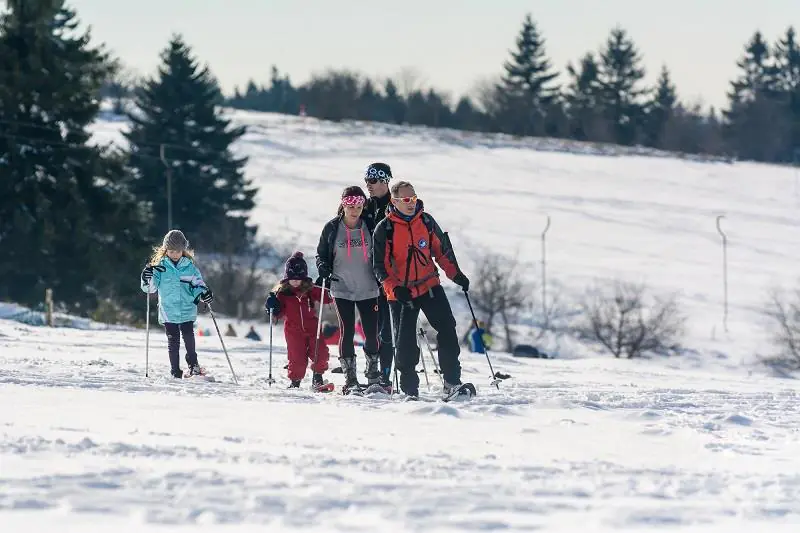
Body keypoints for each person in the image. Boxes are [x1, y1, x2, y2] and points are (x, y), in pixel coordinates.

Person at [372, 180, 471, 399]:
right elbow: (379, 266)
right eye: (406, 199)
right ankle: (410, 390)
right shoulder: (385, 228)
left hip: (429, 285)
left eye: (414, 198)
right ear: (394, 201)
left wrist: (456, 275)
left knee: (447, 329)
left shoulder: (426, 221)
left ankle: (452, 382)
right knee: (405, 343)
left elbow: (442, 252)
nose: (411, 203)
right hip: (401, 294)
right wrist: (395, 289)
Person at [316, 185, 382, 394]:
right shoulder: (332, 228)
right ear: (343, 204)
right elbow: (320, 255)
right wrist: (323, 267)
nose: (355, 209)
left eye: (359, 205)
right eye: (350, 204)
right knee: (347, 331)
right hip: (341, 286)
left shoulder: (370, 226)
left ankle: (373, 377)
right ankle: (351, 379)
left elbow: (382, 251)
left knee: (372, 333)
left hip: (369, 286)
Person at [140, 229, 213, 379]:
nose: (174, 254)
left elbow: (197, 284)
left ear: (183, 250)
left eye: (178, 251)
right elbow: (151, 288)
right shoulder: (160, 267)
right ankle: (175, 370)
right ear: (165, 250)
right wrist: (146, 277)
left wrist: (203, 293)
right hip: (168, 309)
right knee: (173, 340)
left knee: (188, 336)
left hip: (186, 308)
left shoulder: (190, 267)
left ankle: (193, 365)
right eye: (171, 251)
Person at [264, 251, 333, 390]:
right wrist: (273, 307)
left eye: (298, 277)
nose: (295, 280)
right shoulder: (283, 293)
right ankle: (295, 382)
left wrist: (328, 288)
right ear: (287, 277)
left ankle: (317, 379)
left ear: (304, 277)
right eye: (292, 277)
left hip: (313, 328)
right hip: (293, 330)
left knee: (320, 353)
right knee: (296, 358)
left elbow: (327, 298)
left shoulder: (310, 290)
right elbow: (278, 313)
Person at [360, 162, 395, 390]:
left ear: (385, 181)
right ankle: (373, 375)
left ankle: (385, 376)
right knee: (370, 329)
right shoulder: (365, 206)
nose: (368, 186)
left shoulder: (395, 205)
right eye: (366, 182)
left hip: (390, 275)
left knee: (387, 329)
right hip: (367, 275)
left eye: (372, 181)